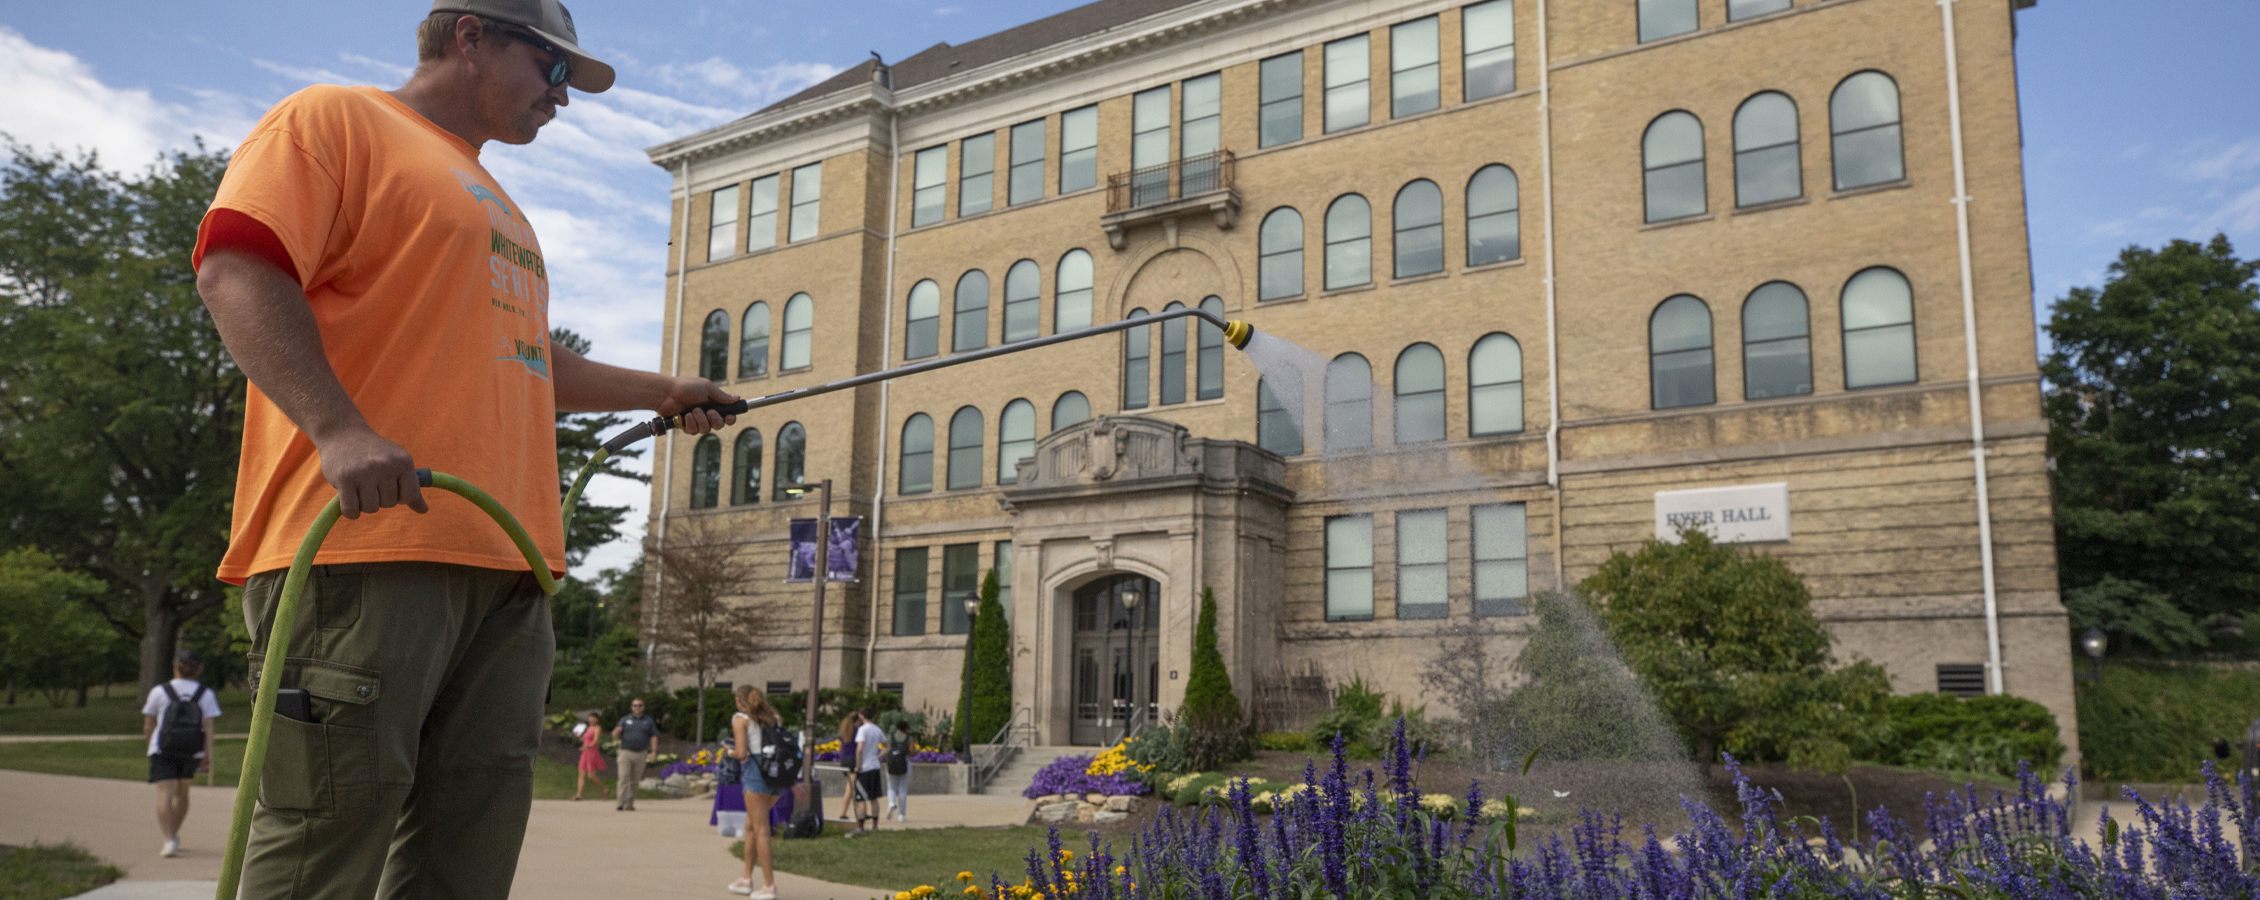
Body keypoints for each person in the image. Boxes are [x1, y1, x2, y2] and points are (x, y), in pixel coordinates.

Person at [192, 2, 736, 894]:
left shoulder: (498, 202)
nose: (564, 97)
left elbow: (523, 358)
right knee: (323, 849)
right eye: (553, 69)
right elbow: (238, 266)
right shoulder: (335, 118)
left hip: (510, 571)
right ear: (470, 36)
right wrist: (340, 429)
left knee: (466, 864)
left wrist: (660, 391)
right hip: (368, 547)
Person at [142, 648, 222, 858]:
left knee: (164, 793)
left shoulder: (160, 691)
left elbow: (149, 723)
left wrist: (152, 744)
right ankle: (174, 834)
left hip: (163, 748)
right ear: (199, 669)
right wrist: (207, 755)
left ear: (175, 666)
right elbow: (209, 728)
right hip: (192, 750)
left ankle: (168, 840)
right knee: (183, 793)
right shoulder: (206, 694)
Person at [729, 686, 784, 899]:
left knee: (761, 828)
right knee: (751, 825)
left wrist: (728, 751)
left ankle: (769, 885)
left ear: (740, 702)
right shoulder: (774, 716)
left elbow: (742, 753)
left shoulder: (740, 719)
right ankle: (745, 878)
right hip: (777, 772)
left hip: (756, 771)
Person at [614, 697, 660, 810]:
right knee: (623, 777)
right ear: (632, 707)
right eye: (635, 705)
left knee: (635, 780)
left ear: (643, 707)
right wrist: (616, 732)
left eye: (640, 705)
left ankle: (630, 803)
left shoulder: (648, 720)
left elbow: (654, 736)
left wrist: (654, 752)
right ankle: (620, 802)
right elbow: (615, 735)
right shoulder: (625, 719)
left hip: (641, 753)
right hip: (625, 752)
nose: (637, 707)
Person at [849, 707, 887, 835]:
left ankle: (860, 827)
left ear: (862, 716)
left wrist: (858, 766)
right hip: (875, 767)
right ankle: (875, 826)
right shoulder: (877, 729)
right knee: (874, 798)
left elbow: (859, 749)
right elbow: (887, 747)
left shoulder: (862, 730)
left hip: (864, 768)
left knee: (861, 799)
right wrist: (877, 757)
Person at [571, 712, 609, 801]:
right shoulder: (587, 728)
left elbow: (595, 741)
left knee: (591, 776)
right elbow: (585, 739)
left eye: (593, 718)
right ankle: (579, 794)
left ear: (597, 719)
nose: (591, 719)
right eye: (590, 718)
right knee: (581, 773)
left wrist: (586, 747)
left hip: (592, 752)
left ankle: (604, 789)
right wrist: (578, 736)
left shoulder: (597, 728)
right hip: (585, 753)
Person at [833, 712, 861, 821]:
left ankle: (848, 812)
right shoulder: (857, 732)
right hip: (853, 761)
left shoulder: (843, 732)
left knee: (851, 787)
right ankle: (846, 813)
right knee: (852, 790)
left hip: (844, 761)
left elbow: (839, 749)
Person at [882, 719, 912, 822]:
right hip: (904, 764)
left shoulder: (890, 737)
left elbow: (886, 750)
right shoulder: (909, 738)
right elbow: (912, 751)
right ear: (906, 728)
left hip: (891, 764)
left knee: (891, 787)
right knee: (902, 789)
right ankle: (901, 815)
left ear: (897, 728)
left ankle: (891, 803)